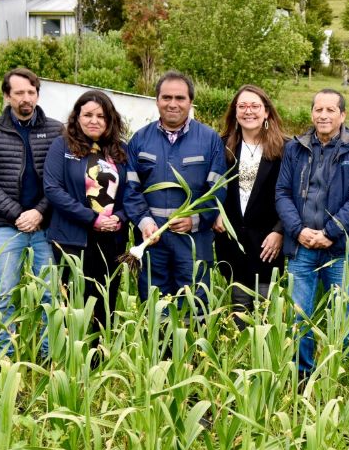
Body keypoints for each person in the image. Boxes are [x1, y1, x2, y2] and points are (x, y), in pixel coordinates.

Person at [275, 89, 349, 377]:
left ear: (343, 115)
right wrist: (298, 230)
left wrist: (330, 232)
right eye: (318, 109)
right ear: (312, 113)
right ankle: (301, 374)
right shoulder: (295, 148)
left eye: (331, 110)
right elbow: (282, 193)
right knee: (298, 314)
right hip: (301, 246)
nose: (323, 115)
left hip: (340, 248)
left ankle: (335, 375)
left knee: (340, 314)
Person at [0, 68, 63, 357]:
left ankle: (48, 356)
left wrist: (39, 212)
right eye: (19, 92)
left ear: (37, 94)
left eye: (31, 92)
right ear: (6, 96)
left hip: (45, 225)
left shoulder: (56, 130)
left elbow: (60, 179)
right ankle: (5, 357)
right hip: (6, 226)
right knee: (4, 294)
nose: (26, 98)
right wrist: (17, 214)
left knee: (49, 294)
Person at [124, 70, 227, 304]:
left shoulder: (209, 140)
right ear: (157, 101)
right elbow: (131, 190)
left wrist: (195, 220)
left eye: (180, 98)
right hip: (153, 241)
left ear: (190, 102)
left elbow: (218, 189)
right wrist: (144, 222)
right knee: (154, 305)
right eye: (166, 97)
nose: (173, 104)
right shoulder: (140, 140)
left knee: (194, 305)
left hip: (193, 242)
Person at [43, 90, 130, 335]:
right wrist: (92, 219)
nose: (94, 121)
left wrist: (121, 217)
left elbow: (133, 191)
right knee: (71, 303)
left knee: (105, 301)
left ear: (110, 120)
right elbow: (52, 188)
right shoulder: (62, 146)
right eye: (88, 115)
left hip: (111, 240)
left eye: (101, 116)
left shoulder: (120, 150)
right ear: (77, 117)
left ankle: (101, 351)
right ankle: (71, 352)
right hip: (72, 239)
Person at [213, 85, 287, 312]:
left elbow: (294, 194)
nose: (248, 111)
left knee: (265, 311)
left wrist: (280, 231)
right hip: (232, 240)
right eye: (242, 106)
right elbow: (210, 186)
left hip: (268, 243)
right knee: (238, 310)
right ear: (235, 112)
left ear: (266, 112)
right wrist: (216, 213)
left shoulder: (286, 148)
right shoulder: (221, 145)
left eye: (255, 106)